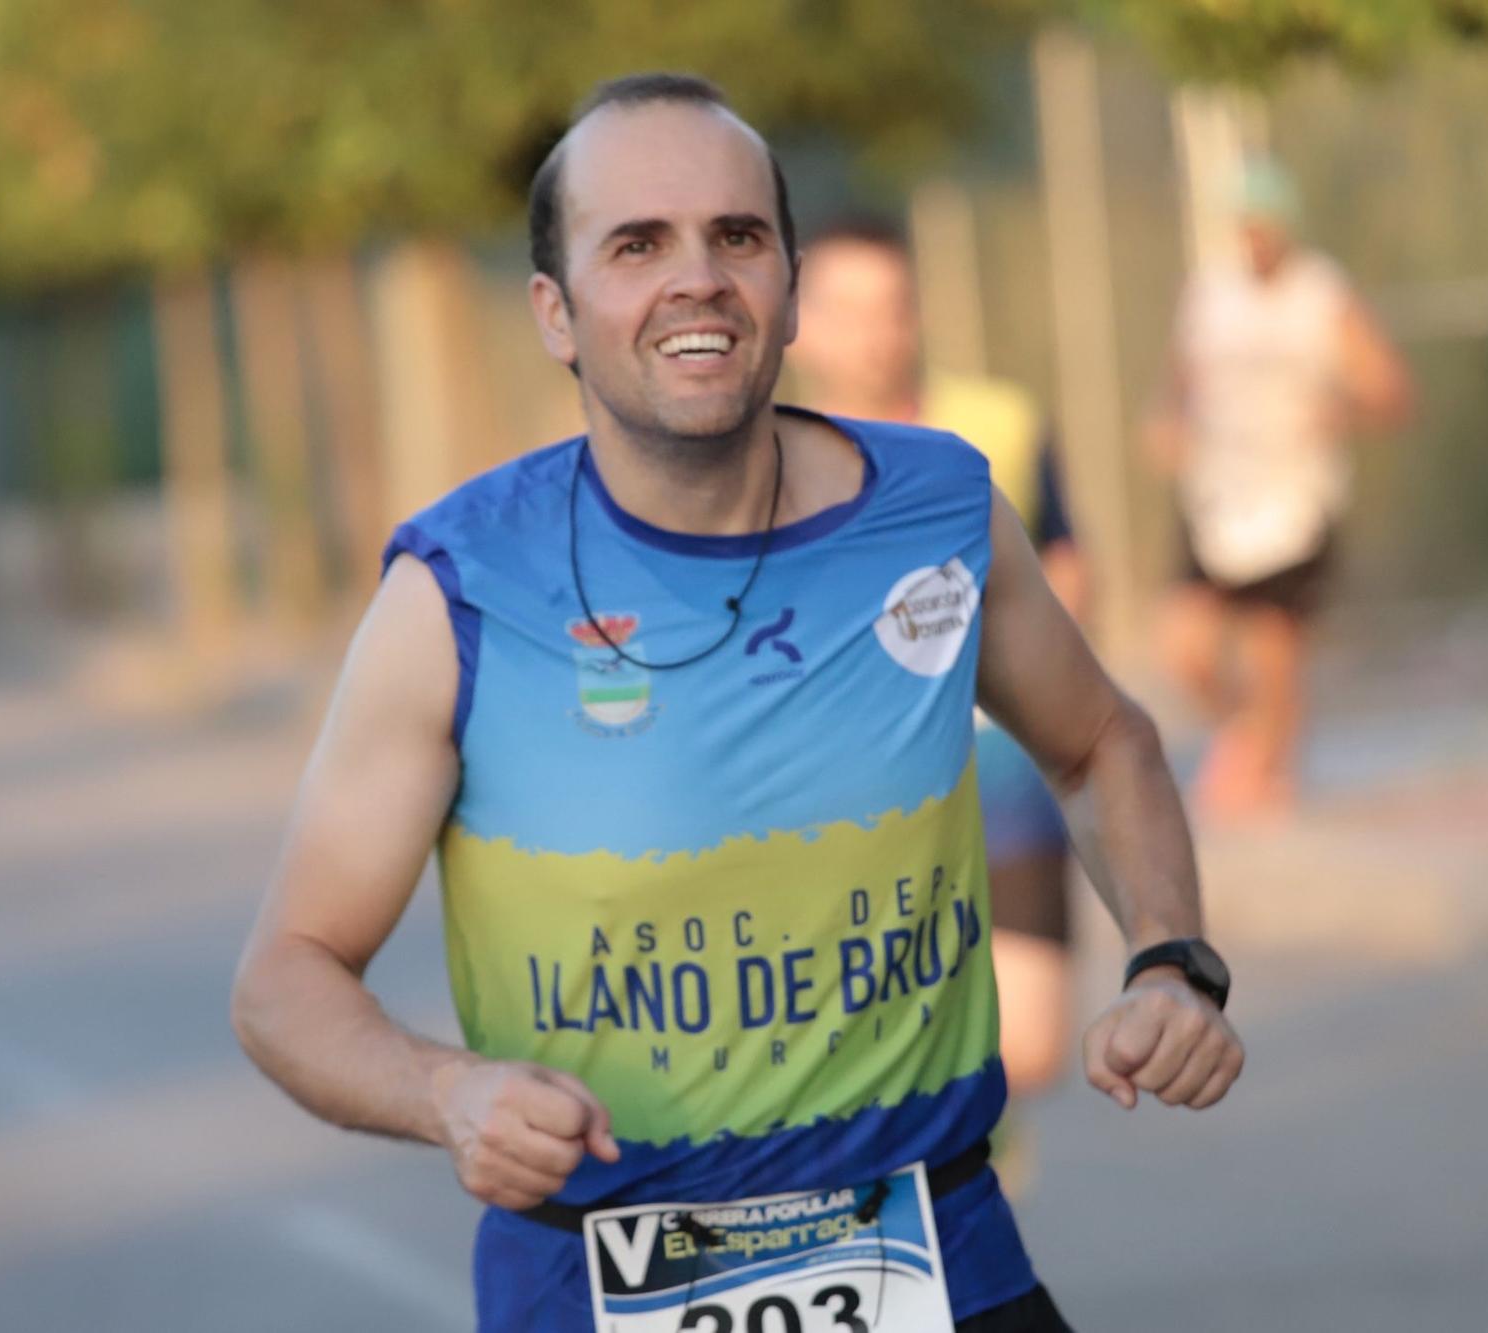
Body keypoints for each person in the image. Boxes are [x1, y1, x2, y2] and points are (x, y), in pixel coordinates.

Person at [231, 73, 1243, 1333]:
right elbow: (286, 976)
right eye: (636, 244)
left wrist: (1171, 962)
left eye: (737, 236)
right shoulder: (458, 591)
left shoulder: (936, 512)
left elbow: (1101, 745)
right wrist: (450, 1094)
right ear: (555, 311)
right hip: (594, 1282)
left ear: (790, 287)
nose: (696, 277)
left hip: (942, 1264)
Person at [788, 218, 1082, 1132]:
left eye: (892, 308)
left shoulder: (997, 422)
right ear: (802, 320)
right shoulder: (760, 458)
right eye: (848, 310)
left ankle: (968, 1123)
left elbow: (1067, 564)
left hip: (995, 763)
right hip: (846, 795)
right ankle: (945, 1164)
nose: (874, 332)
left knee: (1029, 1043)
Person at [1148, 158, 1413, 820]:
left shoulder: (1321, 295)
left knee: (1275, 652)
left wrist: (1343, 411)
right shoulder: (1211, 293)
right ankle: (1245, 734)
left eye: (1266, 226)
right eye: (1246, 227)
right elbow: (1181, 377)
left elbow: (1390, 389)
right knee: (1185, 646)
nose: (1256, 239)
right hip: (1219, 491)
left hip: (1295, 496)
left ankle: (1273, 780)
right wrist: (1168, 420)